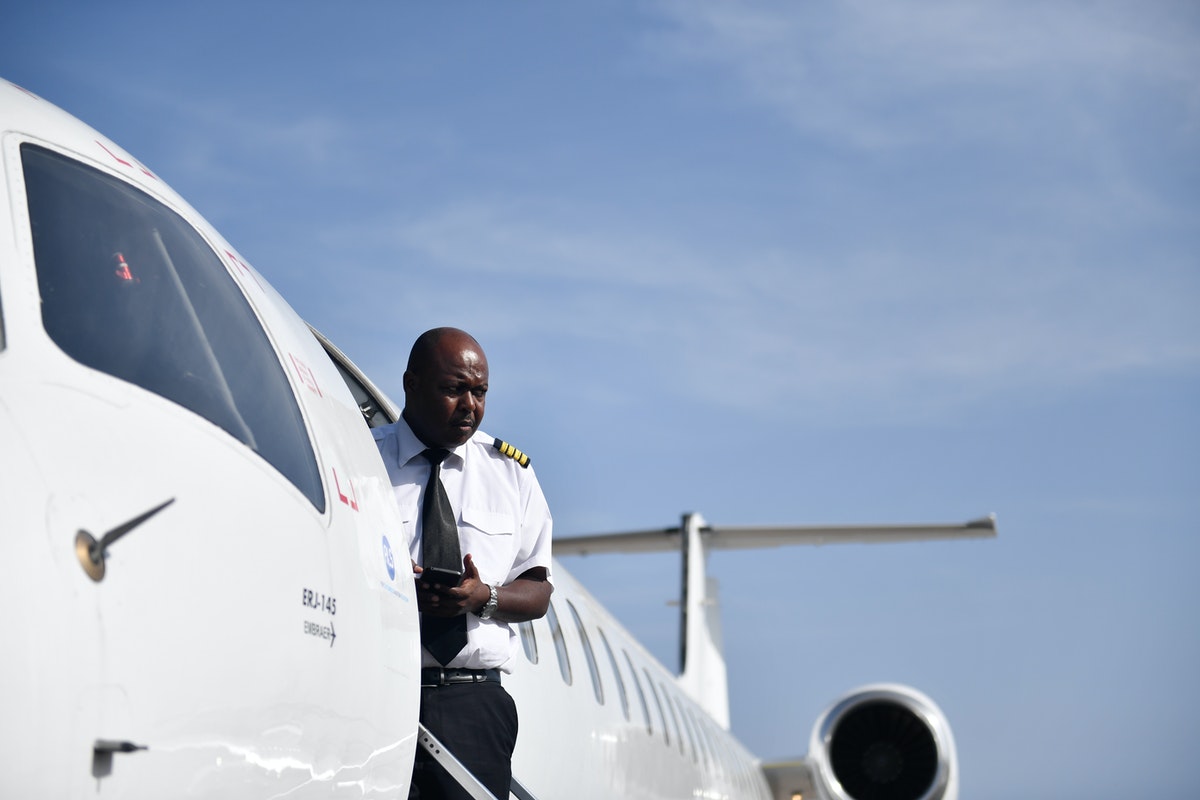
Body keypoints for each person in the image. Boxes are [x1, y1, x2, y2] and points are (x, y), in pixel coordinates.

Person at [373, 327, 553, 800]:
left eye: (480, 392)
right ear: (411, 384)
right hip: (374, 690)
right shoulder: (361, 458)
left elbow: (537, 591)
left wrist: (484, 597)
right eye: (454, 389)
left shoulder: (511, 474)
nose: (470, 404)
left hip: (472, 703)